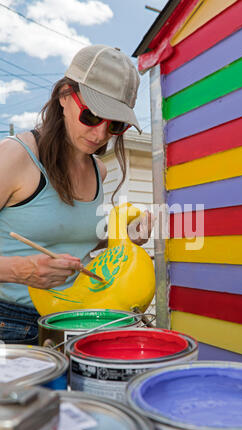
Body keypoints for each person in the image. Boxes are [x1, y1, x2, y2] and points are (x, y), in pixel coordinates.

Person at [0, 44, 153, 345]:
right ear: (65, 96)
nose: (100, 135)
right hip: (9, 325)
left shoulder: (100, 170)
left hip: (76, 321)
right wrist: (19, 270)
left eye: (116, 125)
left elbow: (68, 236)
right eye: (92, 116)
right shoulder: (15, 156)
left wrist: (121, 235)